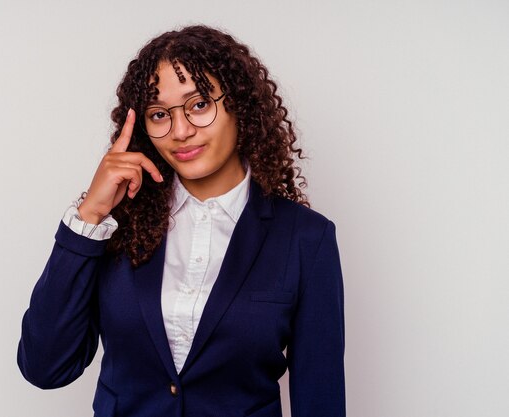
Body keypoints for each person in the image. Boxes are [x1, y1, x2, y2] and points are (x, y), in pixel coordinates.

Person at [17, 25, 345, 417]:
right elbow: (45, 366)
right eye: (159, 114)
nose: (182, 131)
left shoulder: (306, 238)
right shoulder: (118, 225)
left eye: (199, 104)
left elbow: (320, 398)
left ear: (238, 103)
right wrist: (90, 214)